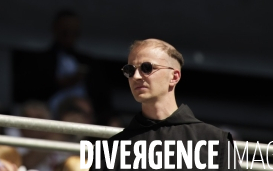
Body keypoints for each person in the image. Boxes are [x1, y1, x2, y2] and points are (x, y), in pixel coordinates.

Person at [93, 39, 238, 170]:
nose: (136, 76)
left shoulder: (214, 141)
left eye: (146, 68)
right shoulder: (110, 149)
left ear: (174, 77)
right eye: (130, 70)